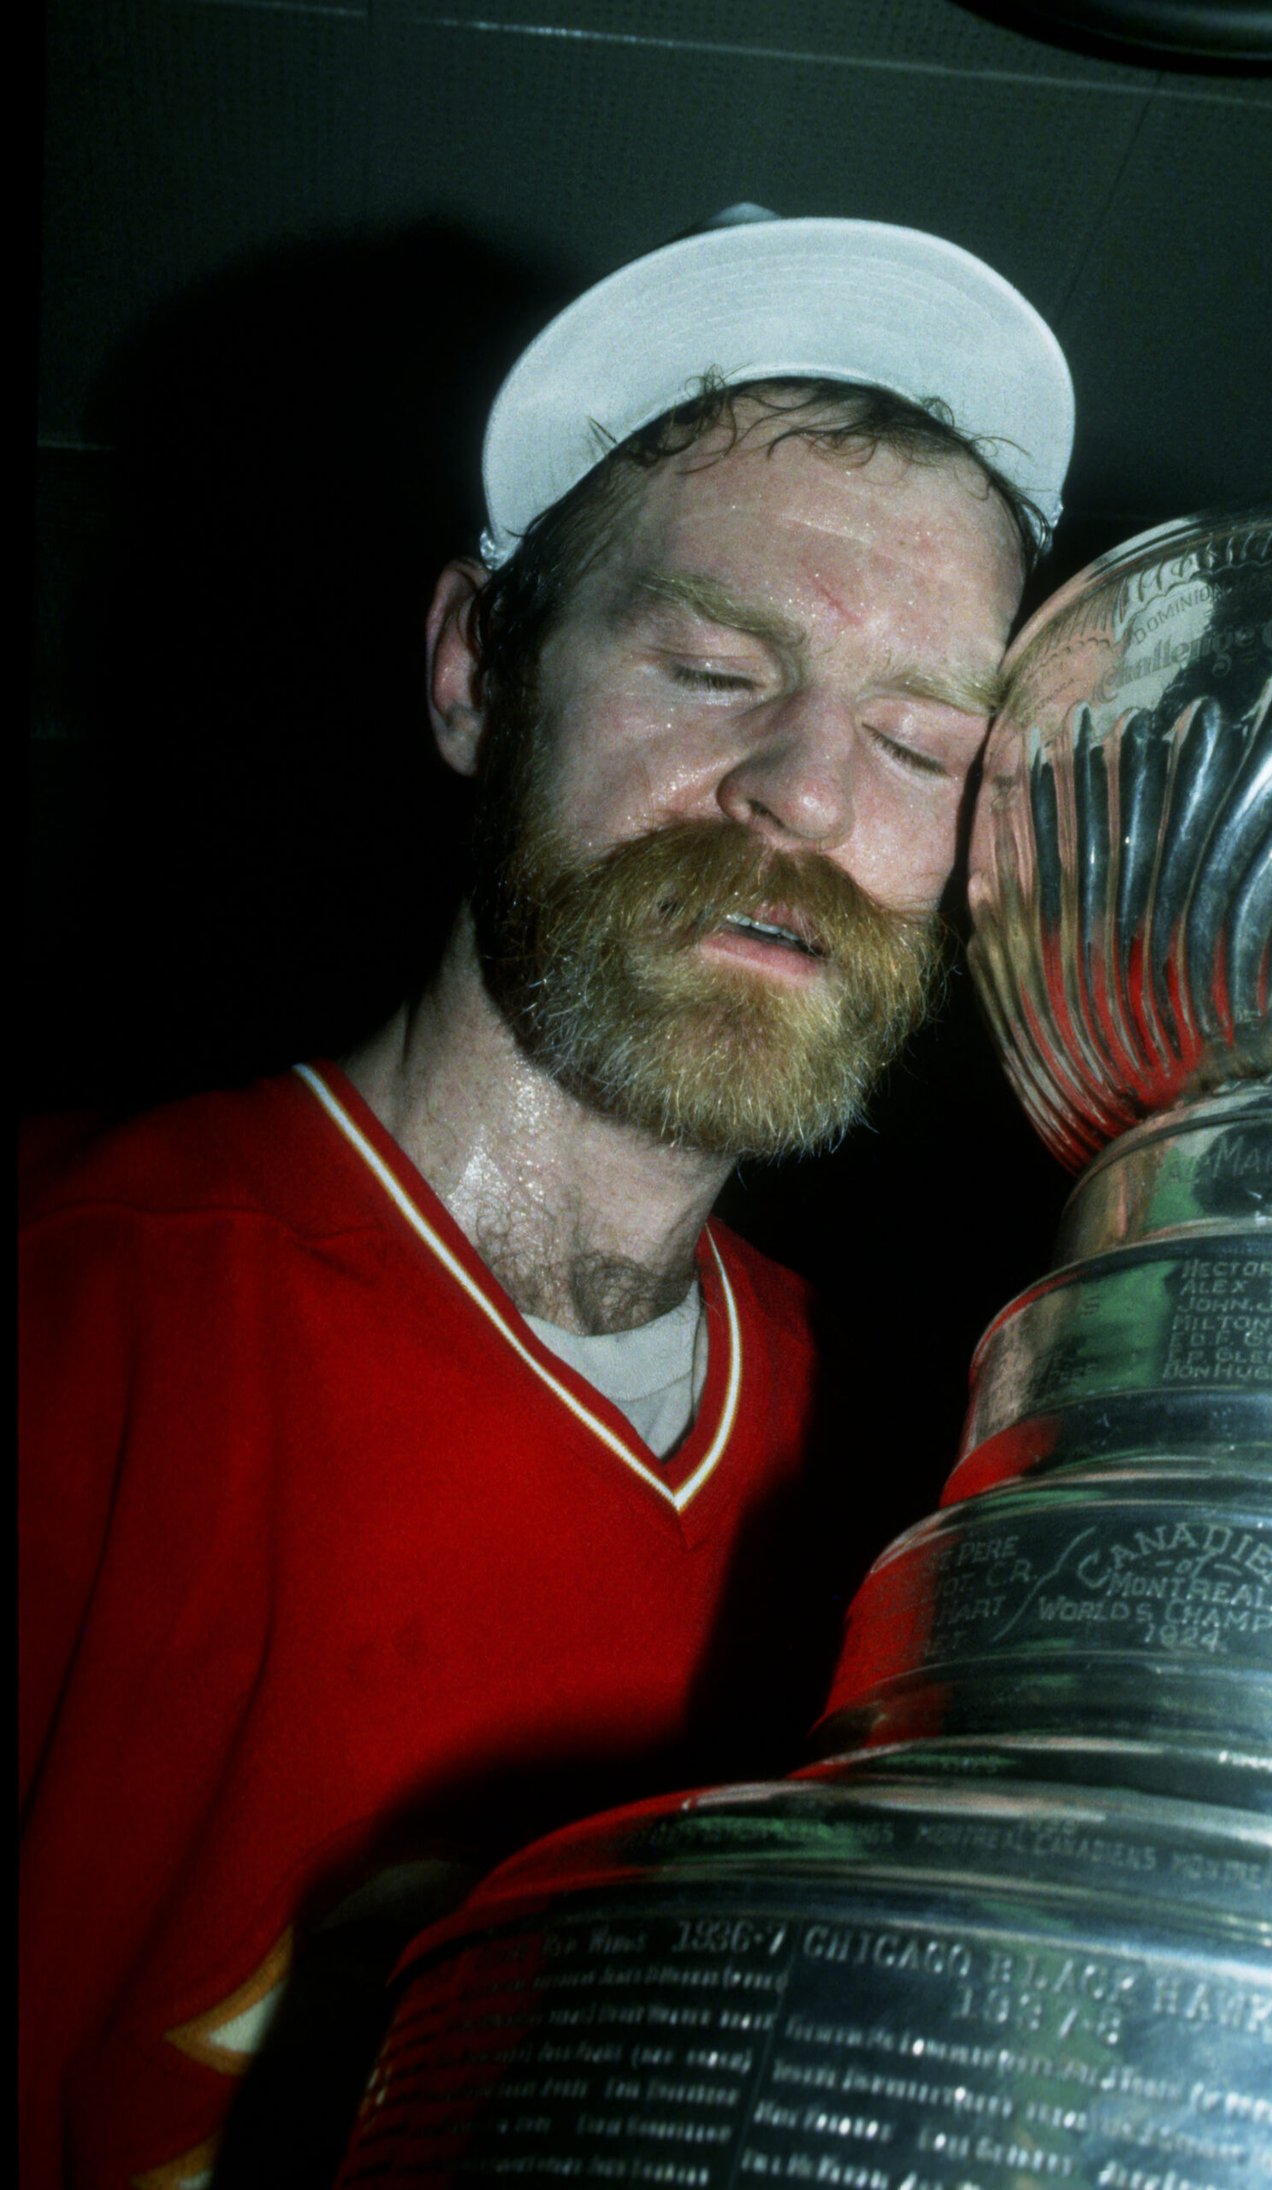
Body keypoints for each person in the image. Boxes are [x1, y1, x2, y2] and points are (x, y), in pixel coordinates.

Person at [19, 207, 1073, 2190]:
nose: (805, 794)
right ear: (471, 674)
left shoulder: (917, 1487)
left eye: (919, 740)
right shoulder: (76, 1316)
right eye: (711, 669)